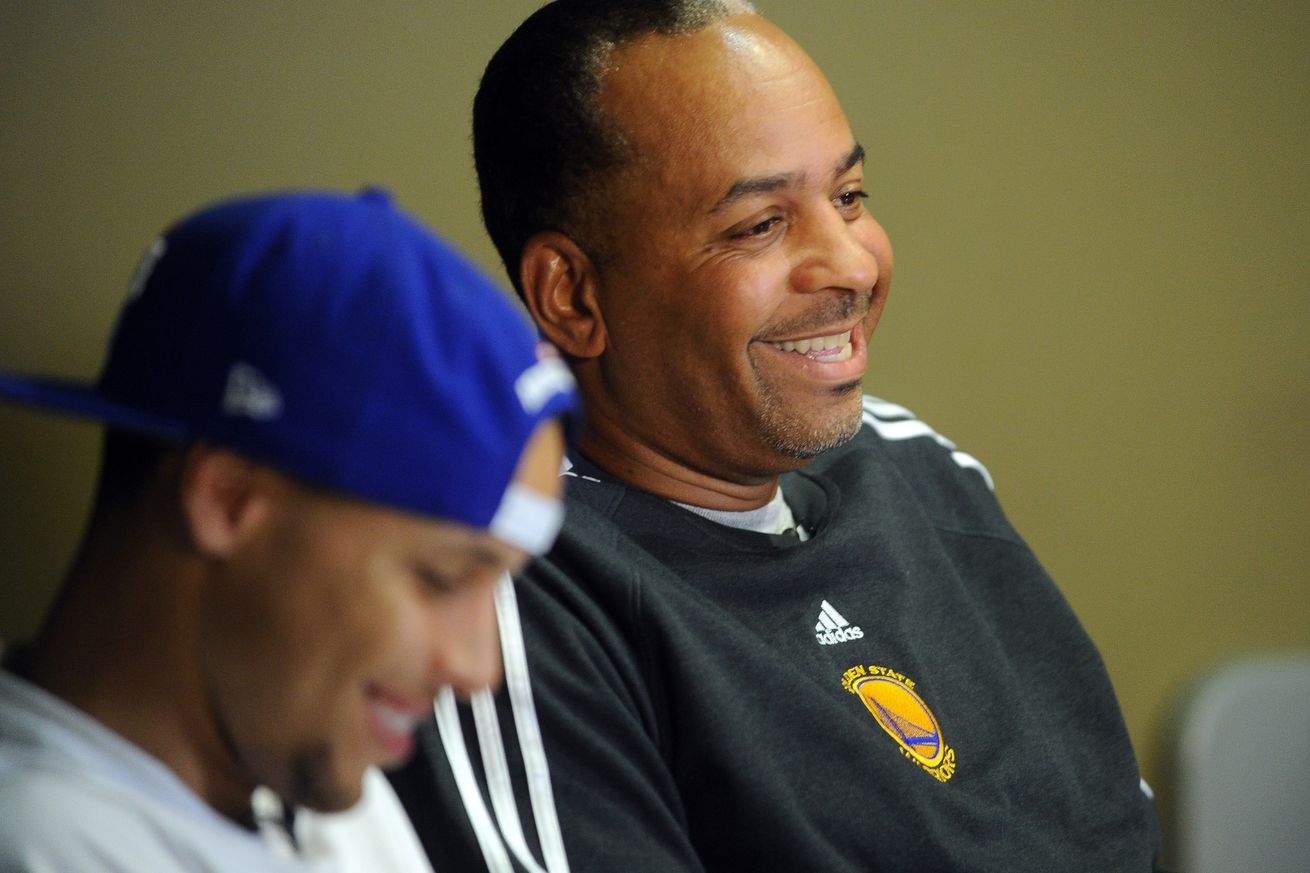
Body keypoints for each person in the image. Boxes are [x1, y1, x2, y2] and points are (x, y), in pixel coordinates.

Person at [390, 1, 1166, 871]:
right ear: (572, 296)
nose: (852, 265)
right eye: (759, 225)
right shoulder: (505, 591)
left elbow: (1116, 833)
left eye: (849, 197)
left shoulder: (918, 464)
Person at [0, 188, 578, 871]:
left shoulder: (328, 786)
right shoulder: (43, 842)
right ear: (228, 499)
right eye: (443, 576)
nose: (477, 668)